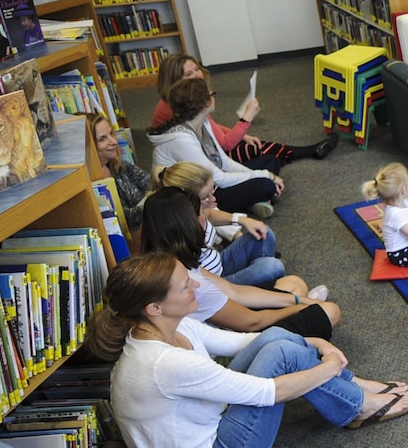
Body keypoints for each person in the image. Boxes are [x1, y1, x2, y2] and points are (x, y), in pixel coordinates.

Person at [97, 254, 408, 448]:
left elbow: (246, 341)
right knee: (282, 356)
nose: (196, 285)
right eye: (185, 286)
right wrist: (327, 367)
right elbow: (270, 392)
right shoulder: (164, 363)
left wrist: (312, 342)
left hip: (212, 421)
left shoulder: (167, 326)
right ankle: (357, 404)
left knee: (277, 339)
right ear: (154, 308)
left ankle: (354, 389)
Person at [141, 188, 333, 333]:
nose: (204, 218)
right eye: (200, 214)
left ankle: (304, 306)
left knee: (295, 285)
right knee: (330, 311)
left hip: (229, 317)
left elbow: (235, 291)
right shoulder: (193, 283)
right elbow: (252, 321)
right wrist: (298, 308)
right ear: (187, 224)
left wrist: (298, 301)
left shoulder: (171, 261)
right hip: (233, 332)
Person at [151, 53, 335, 168]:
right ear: (174, 81)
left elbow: (209, 126)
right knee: (260, 152)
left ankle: (309, 151)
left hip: (204, 149)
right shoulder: (177, 104)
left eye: (196, 69)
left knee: (255, 145)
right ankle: (305, 153)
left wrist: (240, 133)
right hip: (200, 158)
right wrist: (247, 119)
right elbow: (225, 145)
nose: (197, 75)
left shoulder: (180, 97)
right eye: (188, 74)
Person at [151, 75, 282, 217]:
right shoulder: (181, 140)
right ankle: (255, 199)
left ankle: (252, 201)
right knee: (266, 185)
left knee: (271, 161)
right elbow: (219, 178)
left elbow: (224, 161)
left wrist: (259, 175)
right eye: (212, 94)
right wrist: (266, 176)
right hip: (200, 197)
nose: (214, 98)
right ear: (206, 103)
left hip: (211, 184)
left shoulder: (202, 123)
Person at [156, 162, 291, 289]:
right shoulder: (178, 230)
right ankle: (261, 293)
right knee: (272, 267)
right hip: (215, 286)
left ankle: (263, 289)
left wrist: (242, 220)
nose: (213, 199)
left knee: (264, 233)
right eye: (205, 198)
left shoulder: (196, 211)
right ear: (185, 201)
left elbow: (210, 214)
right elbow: (201, 283)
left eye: (212, 190)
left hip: (219, 266)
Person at [92, 114, 151, 231]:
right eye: (102, 139)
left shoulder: (119, 164)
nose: (114, 141)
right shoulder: (93, 186)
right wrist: (153, 203)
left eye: (111, 134)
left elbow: (150, 182)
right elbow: (124, 219)